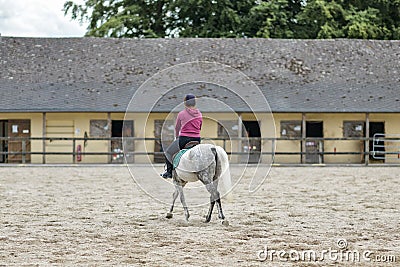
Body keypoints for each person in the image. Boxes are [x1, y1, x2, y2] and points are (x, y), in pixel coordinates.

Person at [161, 94, 202, 178]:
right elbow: (200, 127)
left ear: (185, 103)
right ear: (194, 103)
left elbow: (177, 128)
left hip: (184, 139)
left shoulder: (181, 114)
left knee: (168, 152)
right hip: (197, 139)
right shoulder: (199, 114)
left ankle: (169, 172)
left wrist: (177, 138)